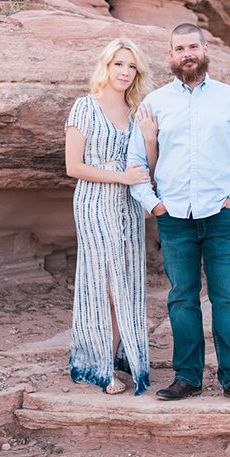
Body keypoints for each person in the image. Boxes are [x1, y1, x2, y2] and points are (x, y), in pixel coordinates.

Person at [127, 23, 230, 403]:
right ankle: (186, 377)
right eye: (179, 48)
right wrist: (152, 203)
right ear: (170, 56)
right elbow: (136, 160)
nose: (187, 53)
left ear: (206, 51)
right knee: (182, 298)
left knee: (228, 299)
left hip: (222, 214)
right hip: (174, 216)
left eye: (193, 46)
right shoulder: (154, 103)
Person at [64, 38, 154, 396]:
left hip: (129, 206)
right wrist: (121, 176)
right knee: (105, 287)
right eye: (119, 64)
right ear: (106, 66)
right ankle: (99, 367)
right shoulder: (85, 107)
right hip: (93, 203)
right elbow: (73, 167)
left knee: (126, 285)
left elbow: (148, 168)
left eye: (131, 66)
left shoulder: (138, 114)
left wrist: (149, 139)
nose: (125, 72)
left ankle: (118, 354)